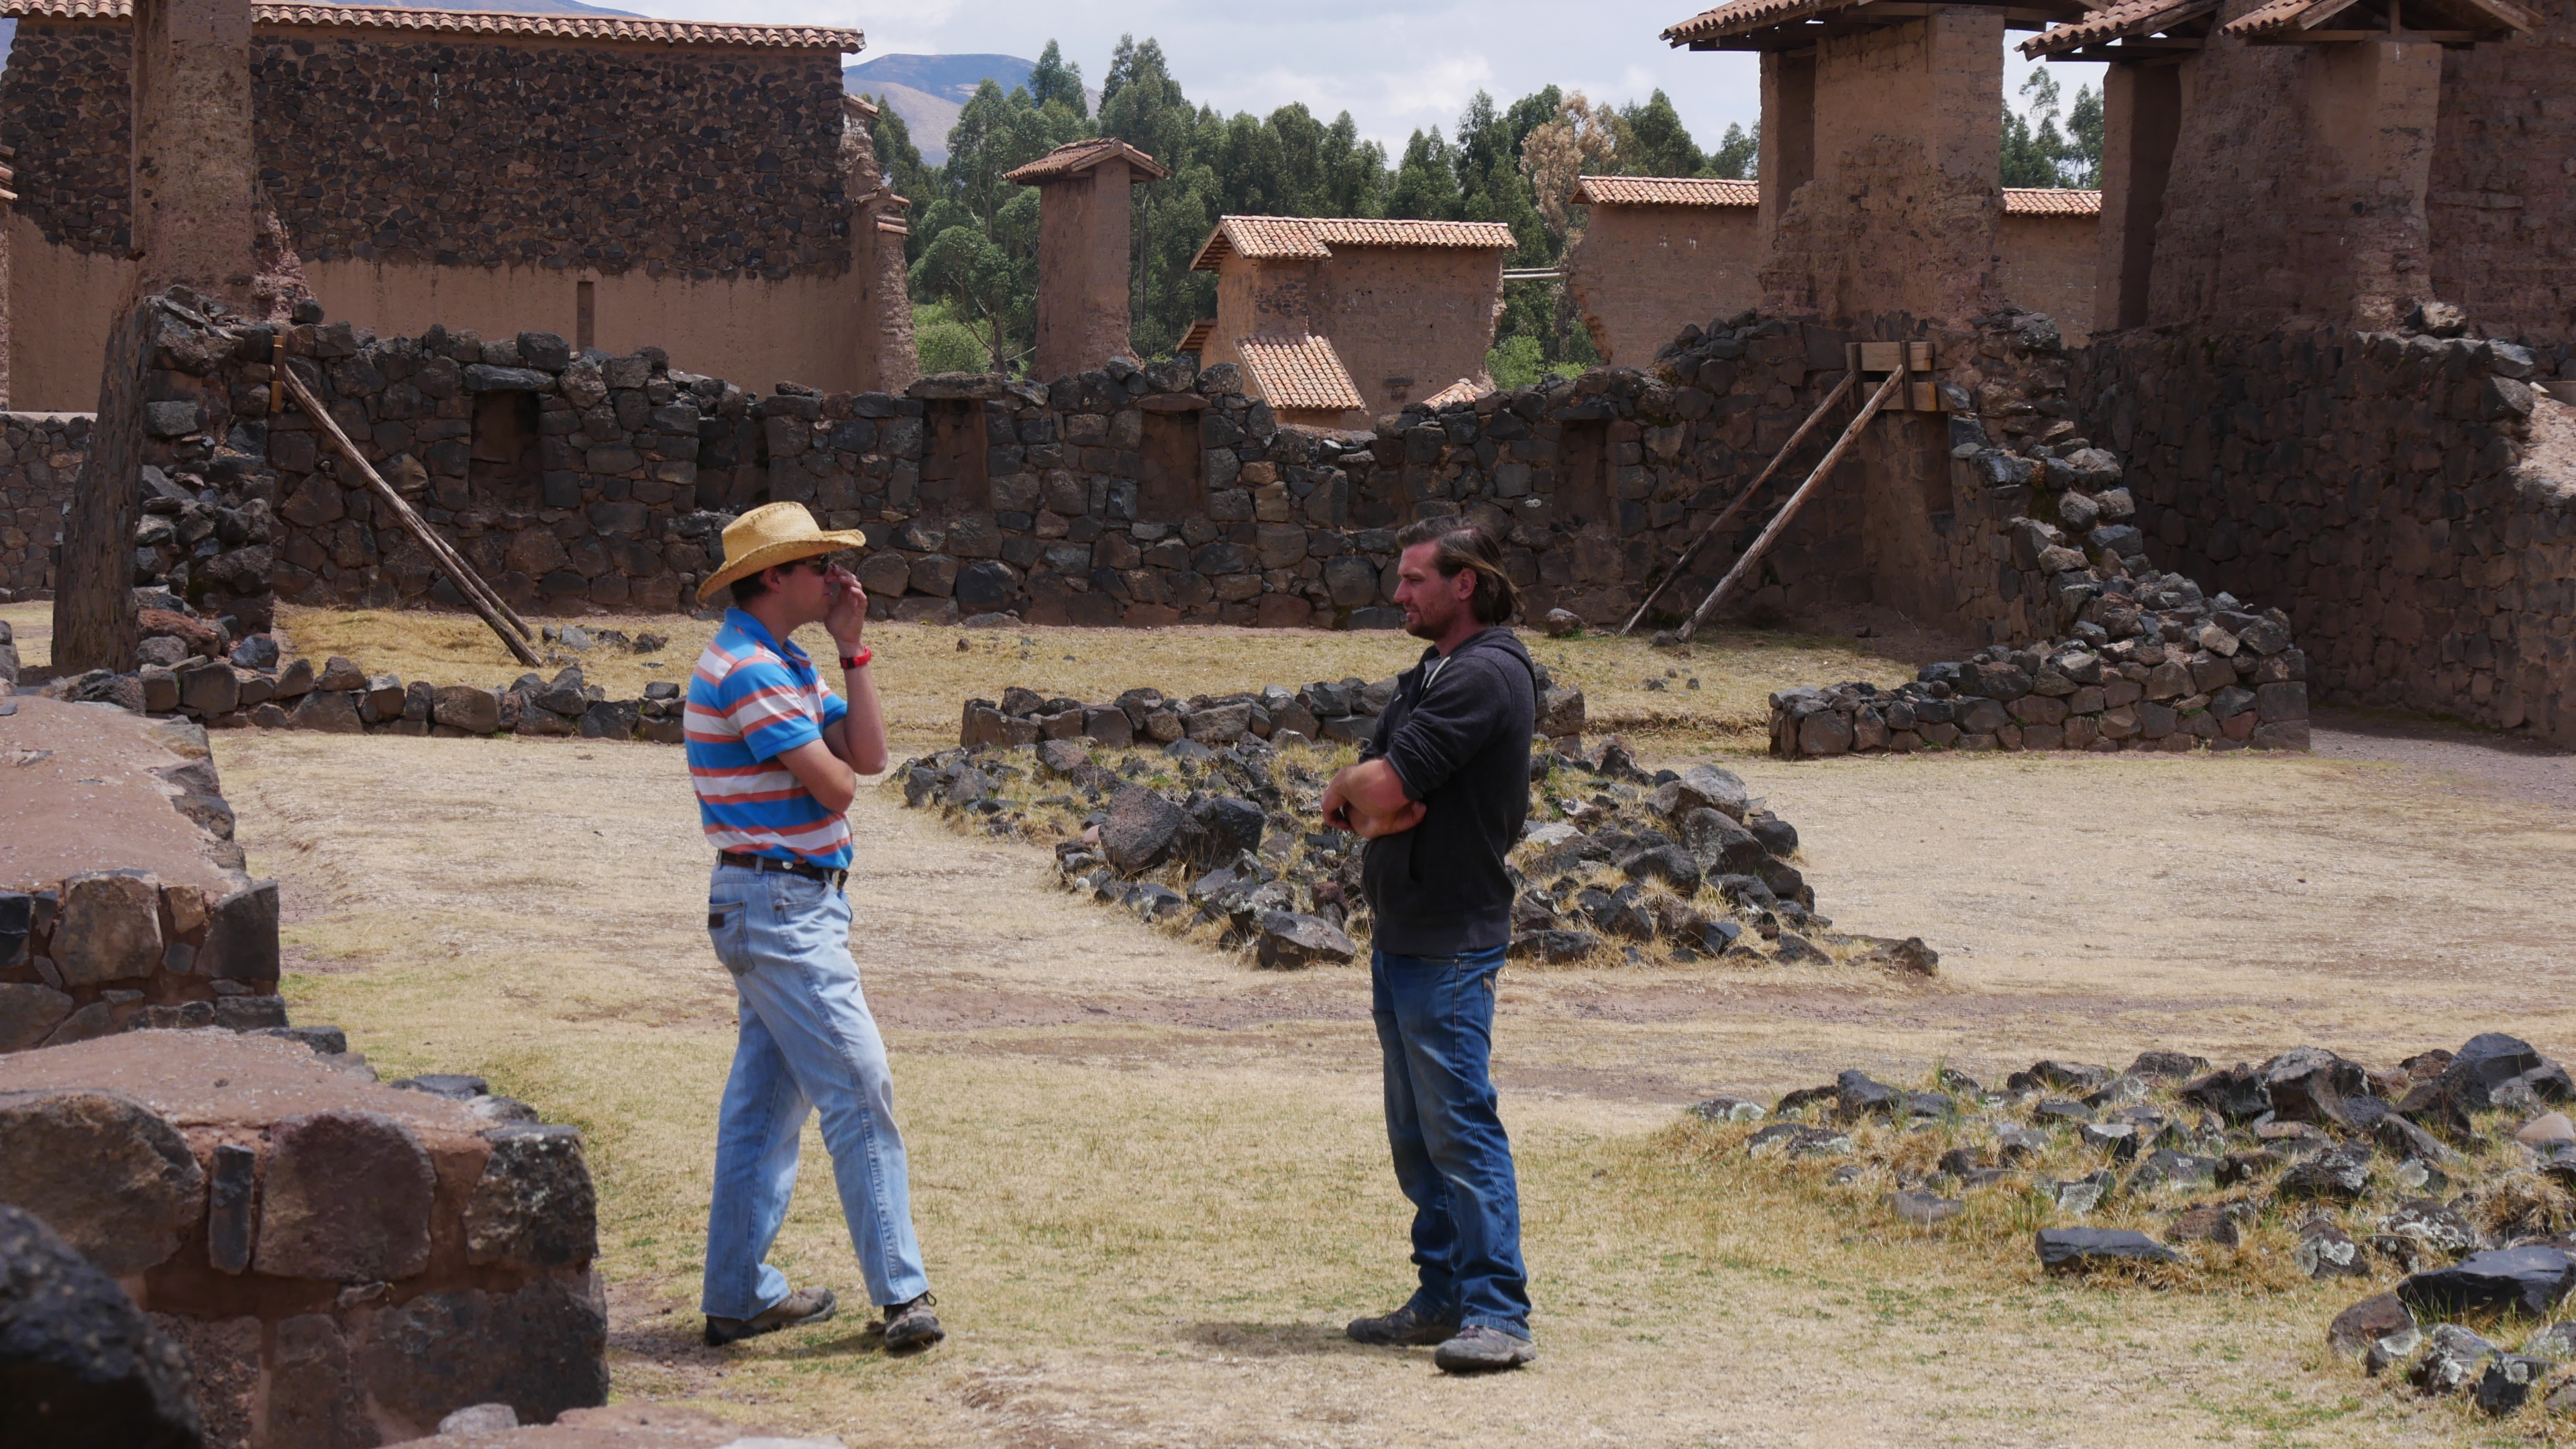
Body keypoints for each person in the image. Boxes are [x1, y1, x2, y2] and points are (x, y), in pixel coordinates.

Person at [686, 502, 945, 1353]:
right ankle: (903, 1294)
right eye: (816, 565)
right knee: (859, 1086)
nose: (835, 577)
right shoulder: (749, 670)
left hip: (782, 900)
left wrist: (853, 649)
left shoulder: (782, 660)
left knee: (763, 1112)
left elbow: (868, 756)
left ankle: (738, 1296)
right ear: (774, 577)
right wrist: (835, 755)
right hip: (782, 906)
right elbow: (838, 790)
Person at [1322, 515, 1539, 1374]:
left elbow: (1382, 788)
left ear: (1466, 584)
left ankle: (1498, 1314)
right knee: (1417, 1135)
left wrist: (1361, 790)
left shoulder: (1485, 674)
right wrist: (1361, 790)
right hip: (1405, 935)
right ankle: (1443, 1296)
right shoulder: (1431, 675)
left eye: (1415, 579)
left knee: (1461, 1131)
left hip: (1450, 940)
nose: (1398, 593)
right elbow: (1372, 792)